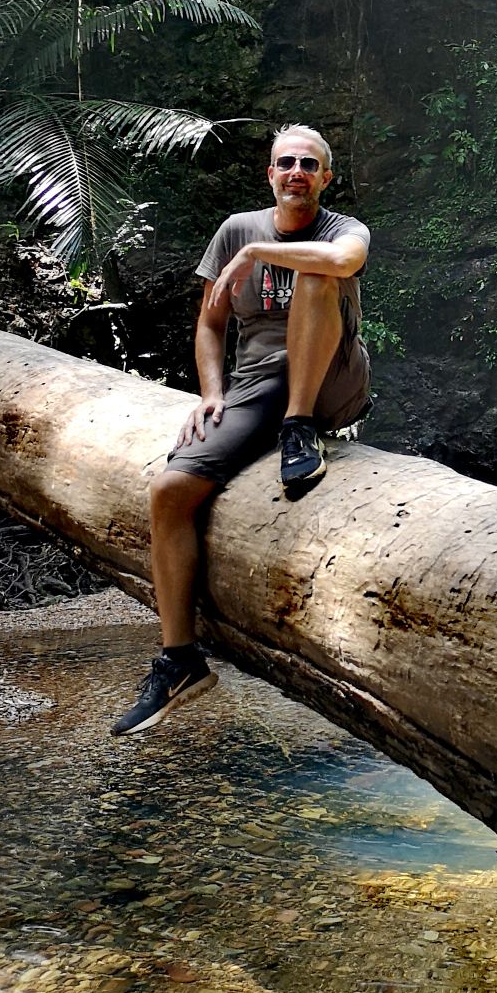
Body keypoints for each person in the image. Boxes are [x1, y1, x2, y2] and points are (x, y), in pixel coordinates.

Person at [110, 124, 371, 736]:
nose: (297, 172)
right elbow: (209, 325)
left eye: (310, 164)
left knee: (312, 273)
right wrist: (211, 394)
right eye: (286, 163)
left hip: (332, 378)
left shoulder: (341, 230)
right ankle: (181, 660)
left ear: (326, 178)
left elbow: (339, 263)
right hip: (255, 385)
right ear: (270, 173)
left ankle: (300, 428)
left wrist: (258, 255)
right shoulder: (234, 228)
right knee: (168, 492)